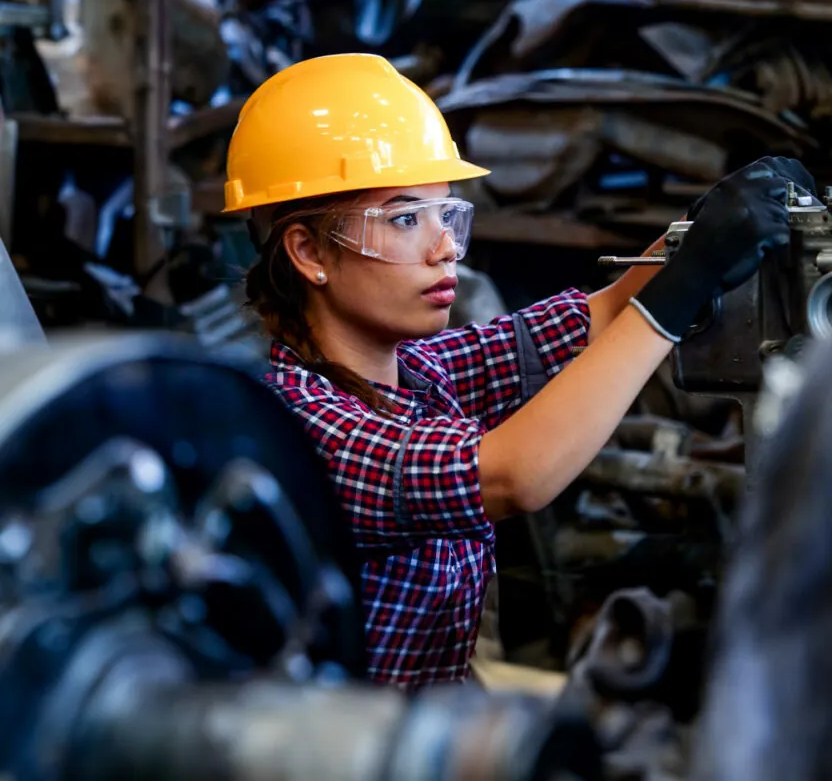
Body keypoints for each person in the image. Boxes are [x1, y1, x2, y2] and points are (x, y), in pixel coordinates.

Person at [222, 52, 811, 690]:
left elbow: (602, 313)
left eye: (447, 215)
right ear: (308, 250)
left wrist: (703, 228)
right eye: (404, 218)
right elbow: (512, 475)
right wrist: (684, 286)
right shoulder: (307, 429)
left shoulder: (417, 373)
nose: (444, 245)